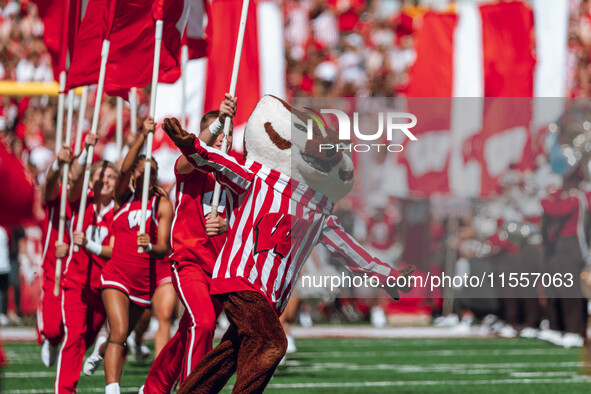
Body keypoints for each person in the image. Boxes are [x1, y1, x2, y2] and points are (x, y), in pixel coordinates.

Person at [141, 95, 235, 393]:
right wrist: (218, 122)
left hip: (220, 269)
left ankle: (154, 388)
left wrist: (227, 225)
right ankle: (193, 389)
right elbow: (185, 161)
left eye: (228, 134)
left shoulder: (236, 171)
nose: (223, 140)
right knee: (204, 323)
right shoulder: (193, 170)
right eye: (218, 134)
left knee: (189, 331)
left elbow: (248, 219)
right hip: (190, 261)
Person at [82, 118, 174, 394]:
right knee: (120, 334)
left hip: (143, 282)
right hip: (116, 276)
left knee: (118, 336)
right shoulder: (124, 197)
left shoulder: (162, 204)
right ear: (134, 175)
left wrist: (149, 247)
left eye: (154, 173)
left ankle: (100, 350)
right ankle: (113, 389)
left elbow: (164, 248)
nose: (148, 177)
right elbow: (122, 167)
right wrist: (142, 137)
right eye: (143, 172)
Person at [54, 134, 117, 393]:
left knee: (87, 339)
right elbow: (75, 177)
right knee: (75, 337)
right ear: (92, 181)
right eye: (100, 176)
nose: (105, 180)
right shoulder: (81, 202)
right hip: (77, 283)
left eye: (111, 177)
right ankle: (65, 390)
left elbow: (113, 251)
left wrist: (88, 244)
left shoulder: (119, 212)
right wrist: (86, 153)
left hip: (103, 289)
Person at [37, 145, 71, 367]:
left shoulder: (91, 199)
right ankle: (51, 339)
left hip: (81, 269)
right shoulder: (59, 195)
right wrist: (58, 164)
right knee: (52, 327)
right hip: (55, 268)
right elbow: (47, 187)